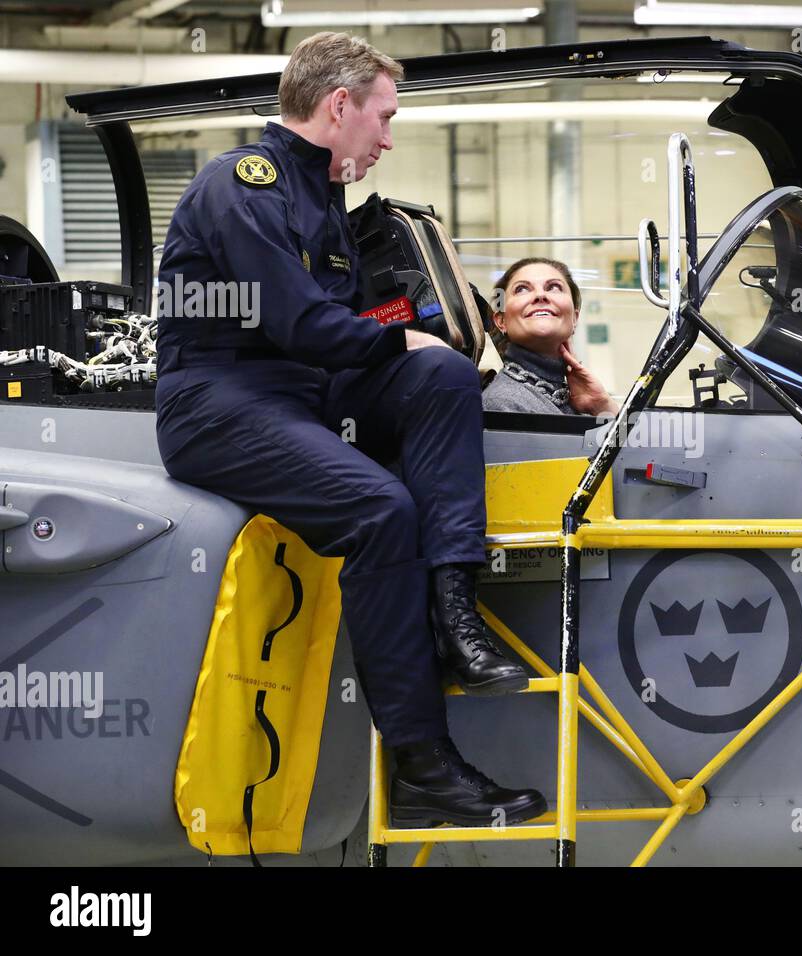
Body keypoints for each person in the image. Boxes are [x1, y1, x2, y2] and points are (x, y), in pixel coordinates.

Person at [152, 32, 545, 829]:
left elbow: (348, 332)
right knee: (380, 509)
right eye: (383, 118)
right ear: (339, 107)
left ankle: (455, 613)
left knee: (440, 375)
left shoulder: (324, 203)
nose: (388, 138)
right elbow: (301, 323)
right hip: (217, 406)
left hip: (300, 397)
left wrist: (432, 336)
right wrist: (399, 339)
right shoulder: (242, 185)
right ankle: (423, 767)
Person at [482, 257, 620, 416]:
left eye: (554, 287)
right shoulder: (501, 404)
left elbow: (627, 441)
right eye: (522, 289)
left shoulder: (571, 396)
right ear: (501, 321)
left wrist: (602, 406)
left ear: (575, 318)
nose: (540, 295)